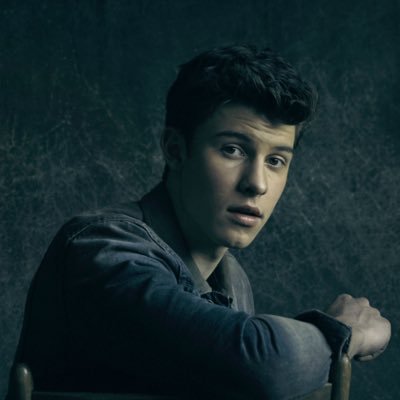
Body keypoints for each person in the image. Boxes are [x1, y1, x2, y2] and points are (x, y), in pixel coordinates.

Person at [10, 45, 391, 400]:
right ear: (175, 150)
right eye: (233, 150)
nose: (257, 183)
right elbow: (264, 364)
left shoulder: (231, 278)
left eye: (276, 160)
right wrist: (345, 333)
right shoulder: (101, 250)